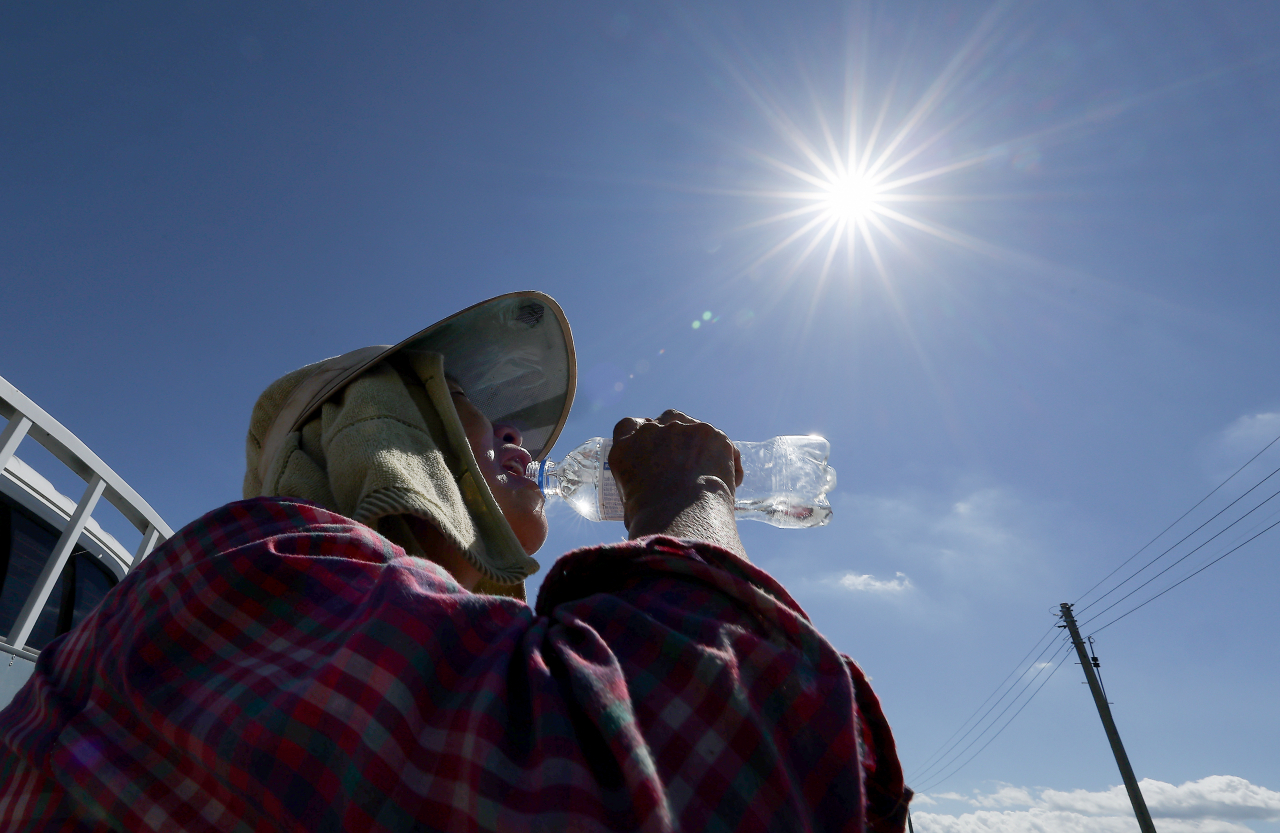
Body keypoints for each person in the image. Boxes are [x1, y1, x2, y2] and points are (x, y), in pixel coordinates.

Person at [0, 292, 910, 832]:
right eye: (466, 403)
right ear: (384, 428)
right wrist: (688, 498)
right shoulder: (247, 573)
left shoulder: (419, 642)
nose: (517, 436)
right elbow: (723, 769)